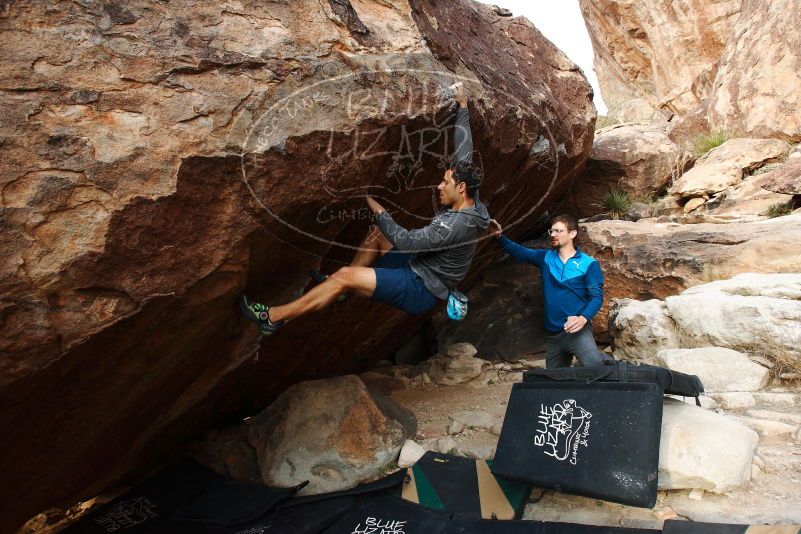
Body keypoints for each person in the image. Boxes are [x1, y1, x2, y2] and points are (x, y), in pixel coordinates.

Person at [240, 83, 491, 335]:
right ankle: (340, 290)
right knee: (376, 234)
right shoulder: (470, 195)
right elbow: (464, 152)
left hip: (420, 287)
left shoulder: (456, 224)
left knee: (345, 275)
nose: (439, 186)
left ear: (460, 188)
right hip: (417, 265)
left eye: (445, 183)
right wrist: (462, 106)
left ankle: (272, 318)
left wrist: (375, 206)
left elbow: (407, 241)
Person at [489, 214, 613, 368]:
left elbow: (596, 298)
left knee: (596, 368)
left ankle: (605, 360)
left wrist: (583, 319)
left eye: (558, 231)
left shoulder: (589, 264)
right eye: (551, 231)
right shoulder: (545, 257)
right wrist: (499, 236)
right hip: (553, 335)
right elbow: (521, 252)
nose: (553, 234)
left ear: (572, 233)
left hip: (578, 331)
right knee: (554, 379)